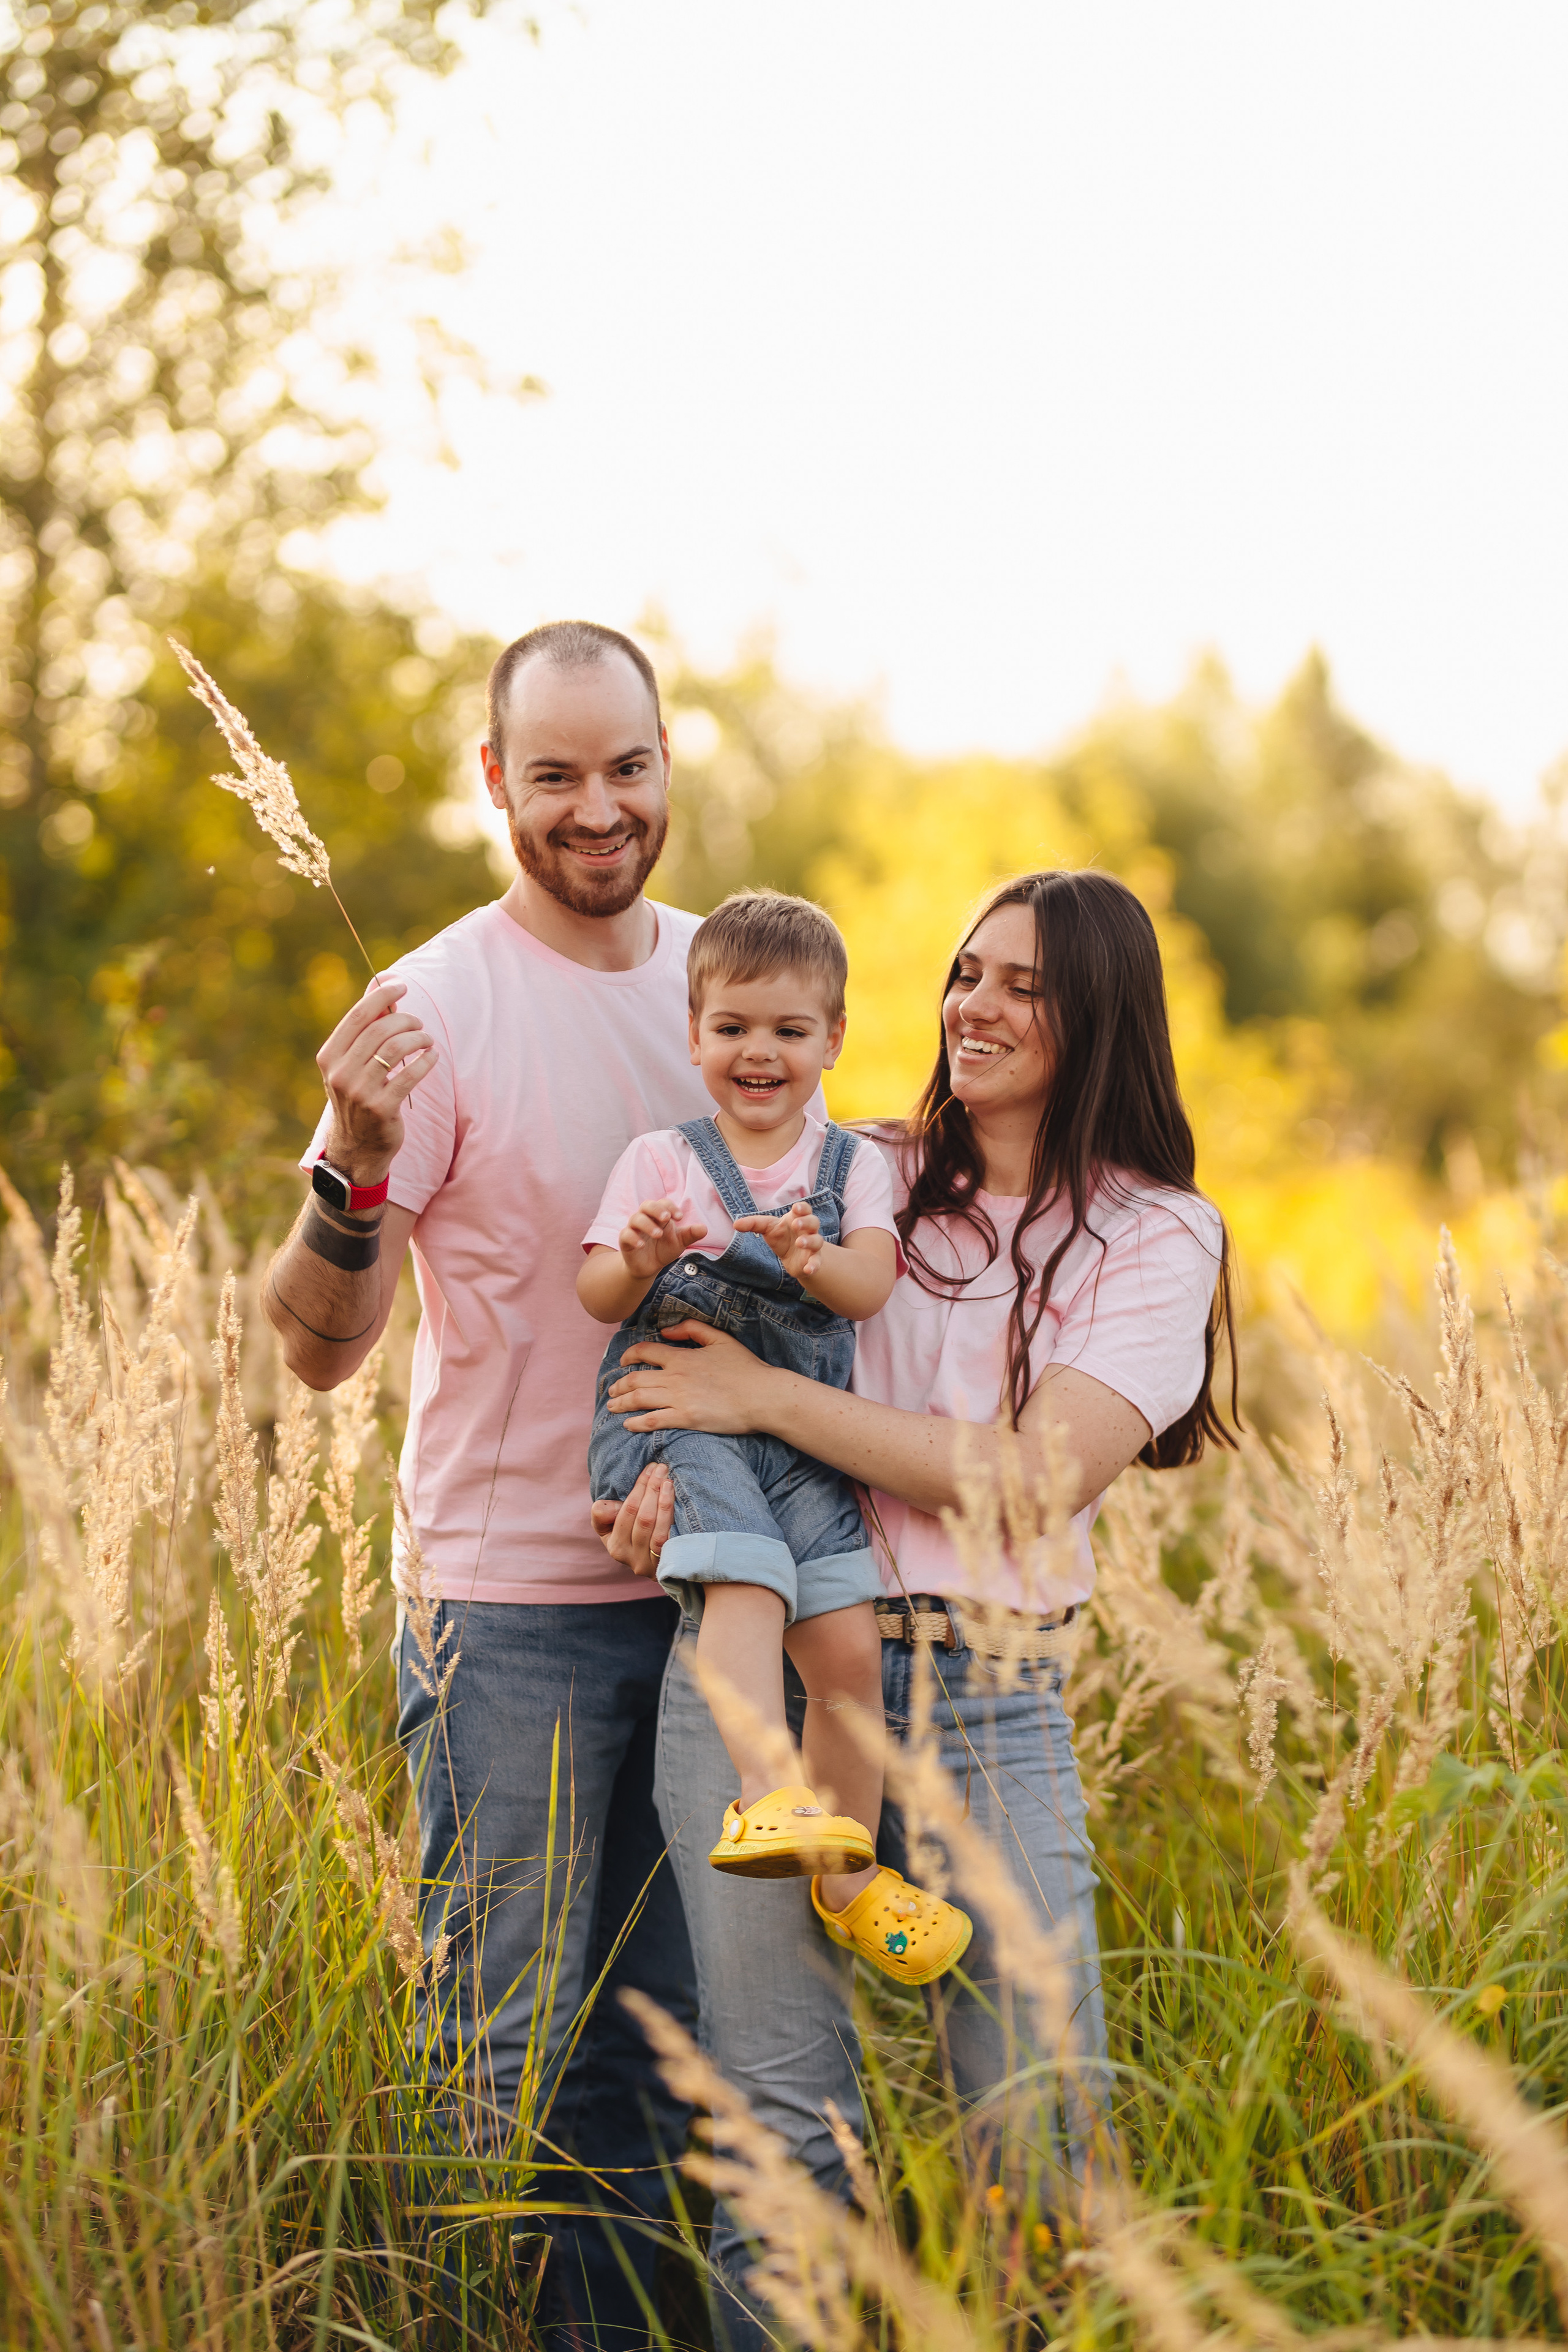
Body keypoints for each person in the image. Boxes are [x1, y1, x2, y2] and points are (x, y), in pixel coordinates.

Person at [593, 867, 1237, 2352]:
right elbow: (676, 1344)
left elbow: (1024, 1487)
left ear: (1100, 1017)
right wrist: (660, 1485)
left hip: (983, 1699)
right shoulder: (854, 1172)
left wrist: (758, 1397)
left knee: (1033, 2119)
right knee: (778, 2120)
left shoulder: (1154, 1233)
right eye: (964, 973)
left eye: (1021, 984)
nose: (975, 1006)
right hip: (756, 1678)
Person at [265, 619, 715, 2348]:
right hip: (508, 1620)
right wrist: (357, 1168)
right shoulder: (430, 1010)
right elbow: (316, 1346)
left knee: (671, 2073)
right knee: (507, 2064)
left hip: (707, 1613)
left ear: (670, 762)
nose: (598, 809)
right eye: (556, 776)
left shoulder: (724, 984)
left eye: (627, 768)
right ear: (493, 782)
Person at [579, 889, 971, 1983]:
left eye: (790, 1031)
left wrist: (811, 1258)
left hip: (801, 1444)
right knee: (747, 1591)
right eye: (735, 1028)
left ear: (832, 1039)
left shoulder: (855, 1169)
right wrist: (642, 1259)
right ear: (695, 1033)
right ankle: (767, 1796)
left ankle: (850, 1888)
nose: (762, 1053)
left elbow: (868, 1288)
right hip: (676, 1424)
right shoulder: (661, 1162)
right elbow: (596, 1295)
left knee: (849, 1650)